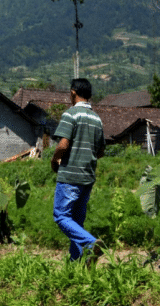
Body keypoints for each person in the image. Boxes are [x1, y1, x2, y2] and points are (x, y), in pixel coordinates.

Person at [51, 78, 106, 262]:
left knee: (61, 216)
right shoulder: (97, 119)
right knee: (76, 222)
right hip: (87, 177)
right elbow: (101, 151)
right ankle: (76, 262)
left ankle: (91, 243)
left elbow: (63, 144)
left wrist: (55, 159)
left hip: (69, 176)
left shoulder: (71, 114)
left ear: (73, 92)